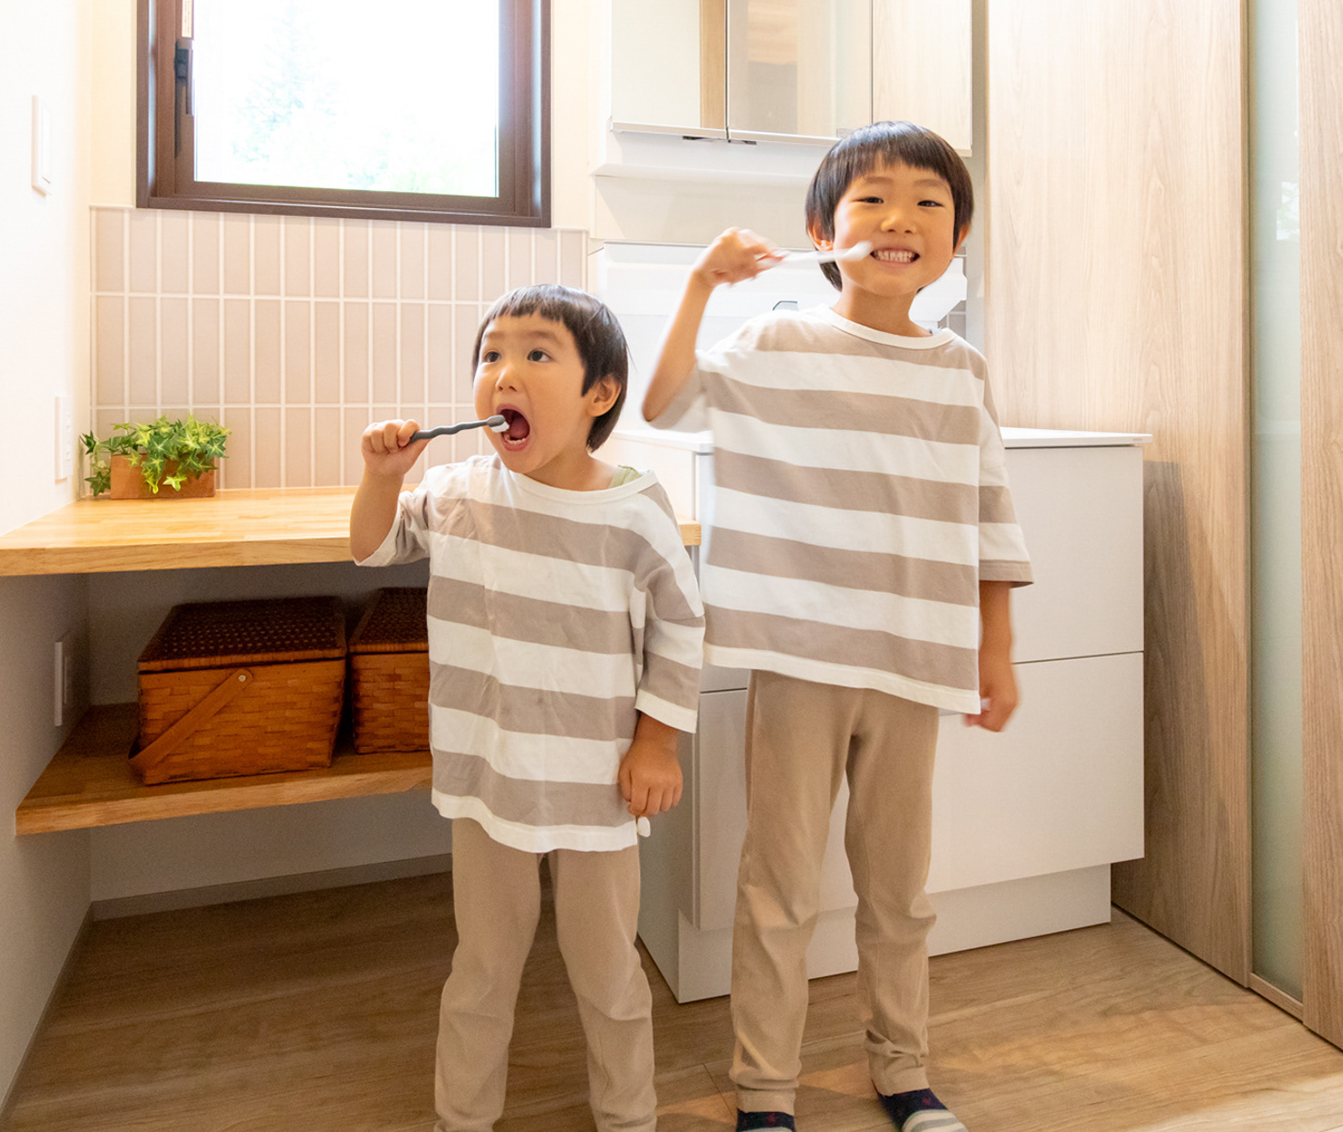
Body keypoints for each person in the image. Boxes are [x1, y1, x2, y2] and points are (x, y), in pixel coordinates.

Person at [642, 121, 1034, 1132]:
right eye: (873, 198)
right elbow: (665, 404)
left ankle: (903, 1069)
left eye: (929, 203)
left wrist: (996, 648)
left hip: (913, 663)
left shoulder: (961, 370)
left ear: (957, 239)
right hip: (801, 658)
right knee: (778, 885)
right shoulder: (778, 343)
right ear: (823, 230)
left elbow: (989, 513)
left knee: (899, 889)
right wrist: (701, 283)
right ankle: (765, 1092)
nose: (900, 218)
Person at [351, 284, 706, 1132]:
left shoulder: (634, 507)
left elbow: (682, 629)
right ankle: (462, 1116)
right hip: (490, 779)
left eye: (536, 353)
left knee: (609, 974)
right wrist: (380, 478)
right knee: (482, 967)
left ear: (599, 394)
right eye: (491, 355)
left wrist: (657, 744)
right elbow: (371, 546)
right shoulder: (458, 490)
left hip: (599, 783)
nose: (504, 373)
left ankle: (629, 1117)